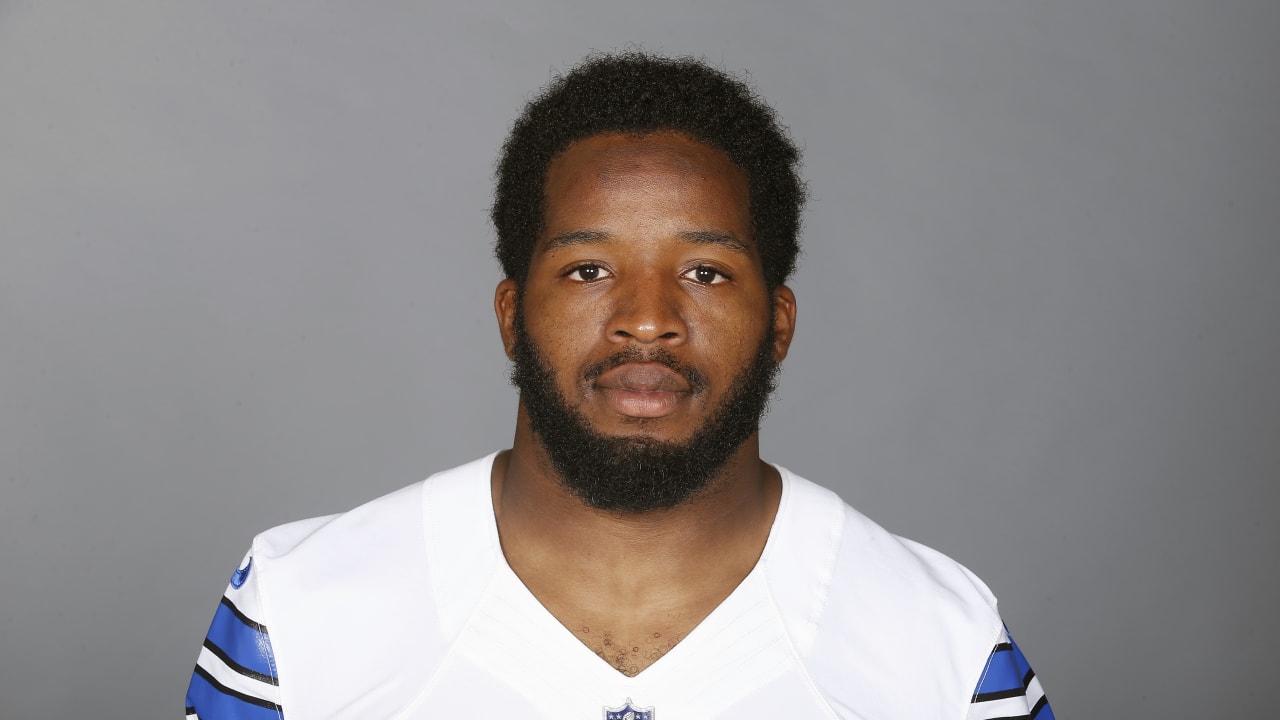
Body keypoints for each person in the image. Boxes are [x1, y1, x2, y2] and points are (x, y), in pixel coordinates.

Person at [184, 52, 1054, 720]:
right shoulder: (299, 608)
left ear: (780, 323)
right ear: (511, 313)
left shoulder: (941, 642)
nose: (646, 319)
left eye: (706, 272)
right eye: (589, 269)